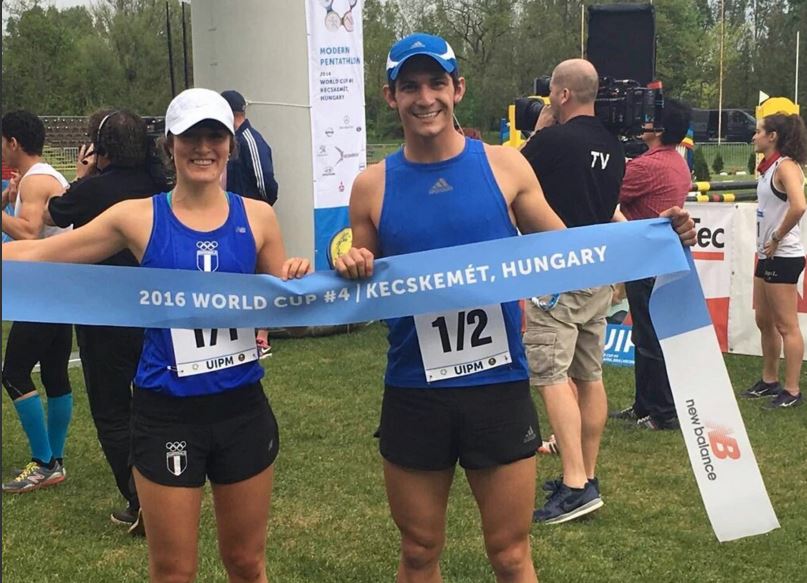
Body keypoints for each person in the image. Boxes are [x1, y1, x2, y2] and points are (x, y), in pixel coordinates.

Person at [335, 34, 694, 582]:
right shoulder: (370, 186)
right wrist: (349, 261)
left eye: (436, 83)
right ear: (390, 96)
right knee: (418, 551)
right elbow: (364, 272)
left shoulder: (505, 168)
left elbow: (569, 251)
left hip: (496, 388)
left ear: (458, 88)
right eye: (410, 86)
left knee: (510, 554)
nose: (424, 97)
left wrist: (658, 237)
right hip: (414, 389)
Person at [4, 88, 310, 582]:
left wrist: (297, 276)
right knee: (171, 571)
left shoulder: (258, 217)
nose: (203, 148)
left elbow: (281, 302)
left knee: (248, 564)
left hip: (242, 411)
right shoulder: (138, 216)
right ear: (169, 144)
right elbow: (46, 254)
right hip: (166, 414)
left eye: (215, 136)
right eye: (190, 136)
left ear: (230, 143)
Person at [43, 109, 172, 530]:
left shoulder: (93, 190)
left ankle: (140, 502)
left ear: (100, 148)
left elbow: (53, 214)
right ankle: (166, 487)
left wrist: (84, 175)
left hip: (104, 316)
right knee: (155, 406)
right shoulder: (160, 183)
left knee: (113, 411)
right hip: (157, 309)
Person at [519, 59, 625, 525]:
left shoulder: (552, 141)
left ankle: (575, 483)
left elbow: (508, 177)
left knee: (552, 375)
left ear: (561, 95)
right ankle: (587, 472)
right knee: (589, 373)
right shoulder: (614, 146)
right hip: (597, 270)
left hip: (555, 272)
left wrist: (539, 131)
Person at [610, 99, 694, 430]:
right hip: (661, 258)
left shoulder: (646, 167)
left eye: (648, 119)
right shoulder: (677, 163)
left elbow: (606, 191)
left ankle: (661, 411)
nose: (642, 123)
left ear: (657, 129)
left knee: (648, 338)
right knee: (646, 336)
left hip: (645, 259)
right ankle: (646, 404)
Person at [1, 110, 73, 493]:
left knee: (12, 373)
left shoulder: (36, 181)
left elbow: (29, 233)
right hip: (59, 287)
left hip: (46, 291)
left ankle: (45, 460)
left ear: (13, 143)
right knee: (54, 375)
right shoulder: (45, 176)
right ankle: (54, 461)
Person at [741, 112, 807, 409]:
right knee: (763, 319)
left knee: (786, 325)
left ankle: (792, 390)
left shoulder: (786, 166)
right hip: (767, 253)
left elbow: (799, 206)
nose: (754, 136)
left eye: (758, 132)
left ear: (773, 137)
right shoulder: (768, 168)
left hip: (783, 255)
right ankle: (769, 381)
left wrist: (778, 237)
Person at [221, 89, 279, 205]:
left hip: (248, 212)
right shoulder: (234, 139)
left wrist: (260, 208)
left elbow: (266, 182)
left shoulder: (249, 141)